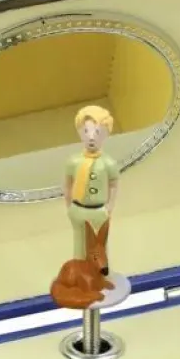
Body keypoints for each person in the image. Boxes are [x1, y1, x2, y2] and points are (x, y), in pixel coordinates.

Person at [64, 105, 119, 266]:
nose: (91, 137)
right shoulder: (74, 161)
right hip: (78, 209)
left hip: (99, 211)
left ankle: (100, 275)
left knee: (99, 246)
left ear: (106, 134)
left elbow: (113, 185)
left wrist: (109, 207)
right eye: (86, 132)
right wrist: (69, 206)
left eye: (97, 132)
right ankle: (80, 273)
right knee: (79, 247)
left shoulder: (108, 163)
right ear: (80, 133)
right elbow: (68, 185)